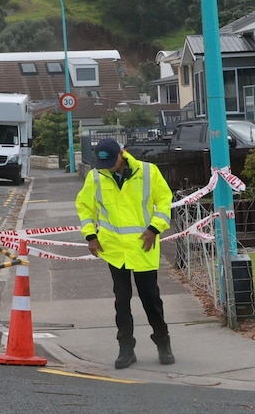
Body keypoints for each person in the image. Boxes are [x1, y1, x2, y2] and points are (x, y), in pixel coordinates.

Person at [76, 136, 175, 369]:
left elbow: (164, 201)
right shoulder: (96, 176)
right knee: (121, 300)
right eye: (104, 163)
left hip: (143, 246)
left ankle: (163, 342)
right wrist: (90, 236)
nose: (109, 167)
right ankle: (126, 348)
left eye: (111, 162)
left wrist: (154, 228)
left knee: (151, 299)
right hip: (114, 249)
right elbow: (85, 207)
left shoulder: (148, 172)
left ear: (122, 154)